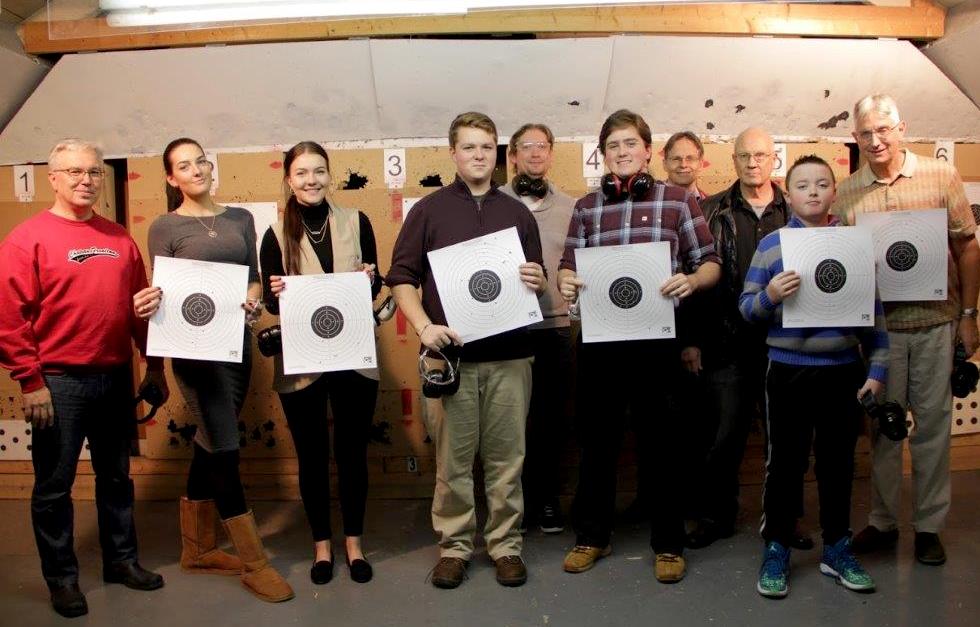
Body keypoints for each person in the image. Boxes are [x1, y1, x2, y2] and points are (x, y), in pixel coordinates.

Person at [0, 139, 168, 618]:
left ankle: (121, 561)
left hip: (114, 376)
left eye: (93, 172)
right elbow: (8, 318)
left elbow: (142, 310)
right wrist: (30, 381)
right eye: (73, 172)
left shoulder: (118, 238)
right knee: (54, 486)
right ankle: (63, 580)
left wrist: (153, 365)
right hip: (57, 382)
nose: (85, 180)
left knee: (116, 477)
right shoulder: (26, 239)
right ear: (52, 177)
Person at [557, 109, 721, 584]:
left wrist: (691, 280)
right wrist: (567, 280)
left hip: (657, 344)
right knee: (596, 443)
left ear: (648, 150)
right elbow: (567, 266)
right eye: (613, 146)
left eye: (631, 144)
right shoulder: (587, 207)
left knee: (662, 446)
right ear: (603, 154)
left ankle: (668, 544)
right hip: (601, 345)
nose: (622, 152)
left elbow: (709, 262)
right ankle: (592, 536)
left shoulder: (677, 201)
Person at [388, 112, 546, 589]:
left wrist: (536, 279)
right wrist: (424, 326)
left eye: (487, 147)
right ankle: (454, 548)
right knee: (453, 464)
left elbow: (533, 279)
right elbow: (401, 278)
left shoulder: (516, 212)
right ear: (453, 153)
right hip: (452, 362)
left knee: (507, 459)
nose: (479, 155)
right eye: (470, 147)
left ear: (497, 154)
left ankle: (505, 546)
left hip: (511, 356)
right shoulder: (429, 211)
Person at [136, 137, 294, 602]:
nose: (197, 169)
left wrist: (250, 299)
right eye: (185, 166)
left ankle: (199, 549)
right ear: (172, 178)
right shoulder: (164, 226)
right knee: (225, 443)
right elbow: (163, 288)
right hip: (192, 351)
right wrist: (154, 351)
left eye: (201, 160)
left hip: (235, 345)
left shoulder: (240, 219)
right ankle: (254, 561)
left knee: (210, 436)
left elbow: (252, 276)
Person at [832, 94, 980, 565]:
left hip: (938, 325)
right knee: (883, 429)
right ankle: (883, 521)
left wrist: (969, 316)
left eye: (883, 130)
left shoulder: (940, 175)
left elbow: (968, 247)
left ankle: (929, 527)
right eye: (865, 133)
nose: (875, 140)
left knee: (934, 428)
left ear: (902, 129)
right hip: (880, 334)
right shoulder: (847, 191)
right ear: (855, 138)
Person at [740, 154, 887, 598]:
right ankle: (777, 547)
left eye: (822, 184)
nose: (813, 192)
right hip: (786, 371)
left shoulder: (854, 245)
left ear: (834, 191)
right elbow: (746, 309)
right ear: (789, 194)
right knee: (784, 464)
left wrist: (877, 369)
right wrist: (769, 295)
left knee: (838, 464)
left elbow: (876, 317)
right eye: (803, 186)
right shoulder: (772, 246)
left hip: (843, 370)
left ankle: (837, 548)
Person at [260, 141, 382, 585]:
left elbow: (374, 285)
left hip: (354, 355)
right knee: (311, 458)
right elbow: (274, 306)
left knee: (352, 455)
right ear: (289, 179)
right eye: (302, 173)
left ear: (329, 175)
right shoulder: (274, 233)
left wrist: (371, 278)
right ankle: (321, 548)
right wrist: (275, 291)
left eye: (318, 171)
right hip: (302, 359)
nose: (311, 180)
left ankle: (354, 544)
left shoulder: (357, 221)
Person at [687, 128, 807, 550]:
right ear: (732, 161)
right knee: (723, 437)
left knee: (786, 438)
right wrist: (693, 340)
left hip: (785, 344)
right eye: (744, 156)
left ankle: (786, 520)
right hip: (726, 343)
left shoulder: (796, 211)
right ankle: (716, 516)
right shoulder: (710, 209)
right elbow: (698, 282)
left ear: (774, 159)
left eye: (760, 155)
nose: (752, 163)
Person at [499, 123, 576, 535]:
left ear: (550, 154)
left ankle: (546, 500)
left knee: (550, 419)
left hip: (554, 325)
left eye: (542, 147)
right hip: (508, 326)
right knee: (511, 421)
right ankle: (513, 503)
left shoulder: (570, 206)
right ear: (512, 155)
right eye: (525, 147)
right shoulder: (494, 204)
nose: (534, 154)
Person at [663, 131, 708, 201]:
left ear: (701, 165)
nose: (683, 165)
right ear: (665, 164)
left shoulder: (711, 206)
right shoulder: (649, 201)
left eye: (690, 158)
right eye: (676, 159)